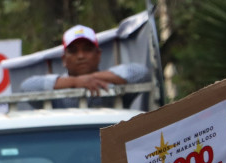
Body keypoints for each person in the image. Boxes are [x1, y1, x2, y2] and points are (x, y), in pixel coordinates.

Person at [19, 24, 149, 108]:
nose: (80, 56)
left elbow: (141, 73)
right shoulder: (58, 86)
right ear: (64, 59)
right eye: (73, 51)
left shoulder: (109, 80)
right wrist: (75, 82)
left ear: (98, 55)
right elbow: (26, 87)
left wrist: (91, 77)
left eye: (87, 49)